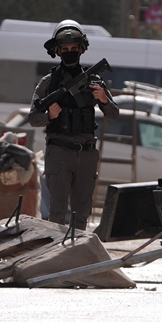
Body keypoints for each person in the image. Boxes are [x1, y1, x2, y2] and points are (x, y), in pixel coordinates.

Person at [29, 20, 119, 230]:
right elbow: (33, 117)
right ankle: (54, 259)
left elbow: (114, 114)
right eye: (65, 49)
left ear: (81, 49)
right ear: (58, 51)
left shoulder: (94, 80)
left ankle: (79, 258)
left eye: (74, 48)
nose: (70, 52)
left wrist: (104, 99)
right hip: (59, 153)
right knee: (57, 214)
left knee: (81, 215)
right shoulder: (48, 83)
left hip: (86, 154)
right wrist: (49, 116)